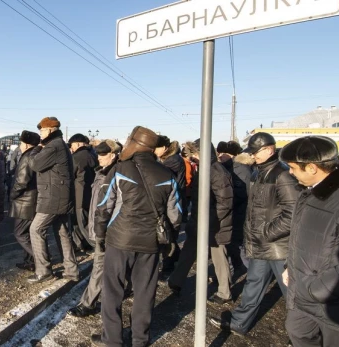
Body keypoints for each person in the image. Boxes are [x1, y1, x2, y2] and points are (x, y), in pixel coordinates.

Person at [91, 127, 182, 347]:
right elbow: (176, 214)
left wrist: (100, 234)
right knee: (145, 291)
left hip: (119, 238)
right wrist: (168, 238)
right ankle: (140, 339)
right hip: (150, 242)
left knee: (113, 290)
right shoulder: (167, 175)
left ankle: (112, 339)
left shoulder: (120, 169)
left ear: (134, 144)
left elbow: (104, 207)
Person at [209, 132, 300, 335]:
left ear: (269, 150)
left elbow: (293, 213)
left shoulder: (282, 175)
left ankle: (304, 334)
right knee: (253, 283)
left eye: (255, 152)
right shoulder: (258, 172)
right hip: (261, 243)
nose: (252, 156)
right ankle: (239, 322)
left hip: (278, 246)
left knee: (291, 292)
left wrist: (267, 232)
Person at [278, 136, 339, 346]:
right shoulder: (309, 193)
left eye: (293, 167)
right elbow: (300, 236)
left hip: (337, 307)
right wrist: (290, 266)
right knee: (297, 333)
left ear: (312, 168)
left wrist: (315, 290)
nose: (290, 172)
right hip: (303, 298)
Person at [168, 139, 234, 304]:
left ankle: (225, 292)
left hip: (215, 223)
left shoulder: (217, 172)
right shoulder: (205, 169)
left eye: (197, 154)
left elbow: (225, 201)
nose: (194, 157)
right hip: (200, 220)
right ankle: (176, 281)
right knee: (189, 251)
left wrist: (210, 221)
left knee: (219, 257)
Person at [68, 139, 121, 318]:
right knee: (108, 266)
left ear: (112, 155)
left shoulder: (114, 174)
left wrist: (101, 229)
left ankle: (87, 304)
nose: (99, 158)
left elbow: (109, 206)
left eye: (103, 155)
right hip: (100, 226)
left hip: (106, 229)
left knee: (99, 266)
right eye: (98, 154)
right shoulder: (103, 172)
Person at [28, 117, 79, 284]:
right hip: (60, 195)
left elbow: (35, 164)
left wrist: (34, 149)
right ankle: (71, 270)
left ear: (50, 130)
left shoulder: (53, 146)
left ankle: (44, 271)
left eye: (42, 130)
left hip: (53, 197)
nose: (40, 134)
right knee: (63, 232)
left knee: (36, 229)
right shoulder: (59, 144)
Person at [217, 140, 254, 272]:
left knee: (239, 245)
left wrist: (225, 200)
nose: (220, 155)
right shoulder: (229, 167)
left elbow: (243, 193)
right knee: (233, 244)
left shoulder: (240, 169)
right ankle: (236, 267)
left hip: (240, 213)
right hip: (235, 212)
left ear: (231, 154)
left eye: (224, 153)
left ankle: (251, 273)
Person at [9, 130, 41, 272]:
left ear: (27, 144)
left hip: (25, 201)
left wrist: (12, 195)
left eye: (21, 142)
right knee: (27, 233)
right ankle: (31, 261)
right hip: (31, 199)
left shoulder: (27, 157)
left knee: (20, 233)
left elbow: (22, 181)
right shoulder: (34, 155)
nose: (20, 145)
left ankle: (41, 260)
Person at [154, 136, 186, 275]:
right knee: (169, 234)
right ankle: (176, 257)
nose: (154, 151)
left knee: (169, 235)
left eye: (157, 148)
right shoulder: (169, 159)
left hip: (173, 202)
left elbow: (160, 175)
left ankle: (168, 267)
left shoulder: (172, 161)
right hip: (171, 200)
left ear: (164, 148)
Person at [68, 133, 97, 252]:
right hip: (91, 193)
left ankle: (95, 245)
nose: (71, 148)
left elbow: (71, 175)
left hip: (79, 194)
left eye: (72, 145)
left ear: (78, 144)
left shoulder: (76, 157)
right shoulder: (93, 154)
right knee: (85, 221)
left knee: (81, 223)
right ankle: (82, 244)